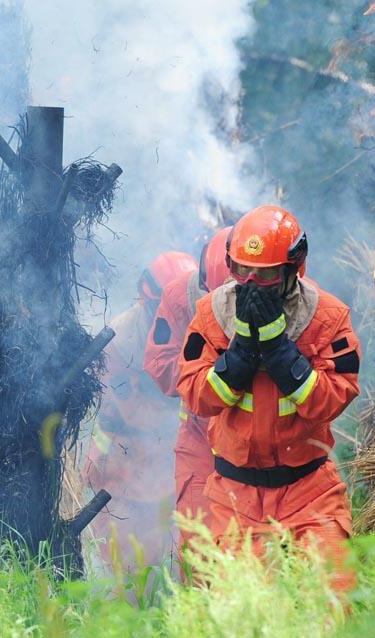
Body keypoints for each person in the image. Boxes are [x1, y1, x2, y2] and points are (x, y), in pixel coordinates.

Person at [176, 205, 361, 590]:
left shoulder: (326, 316)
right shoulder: (211, 315)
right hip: (234, 498)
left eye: (265, 274)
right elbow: (196, 395)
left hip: (309, 493)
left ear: (294, 269)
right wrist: (240, 354)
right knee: (241, 616)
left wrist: (280, 350)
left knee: (334, 602)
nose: (251, 282)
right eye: (242, 271)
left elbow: (334, 398)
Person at [84, 251, 197, 567]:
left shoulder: (201, 324)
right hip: (129, 461)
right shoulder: (121, 341)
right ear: (148, 302)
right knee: (127, 565)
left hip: (180, 460)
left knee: (189, 559)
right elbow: (123, 410)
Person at [143, 227, 233, 550]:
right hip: (200, 444)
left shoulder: (292, 297)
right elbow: (159, 364)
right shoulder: (180, 297)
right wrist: (209, 373)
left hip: (264, 449)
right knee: (200, 552)